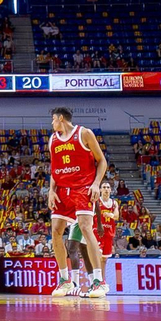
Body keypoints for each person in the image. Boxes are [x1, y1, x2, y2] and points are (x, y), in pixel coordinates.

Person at [47, 107, 109, 299]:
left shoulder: (84, 133)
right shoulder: (53, 140)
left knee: (84, 227)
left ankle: (98, 281)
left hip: (83, 188)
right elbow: (54, 168)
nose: (52, 124)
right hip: (62, 190)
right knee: (56, 231)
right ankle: (65, 280)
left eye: (53, 120)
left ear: (61, 119)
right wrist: (51, 190)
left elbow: (102, 161)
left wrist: (97, 184)